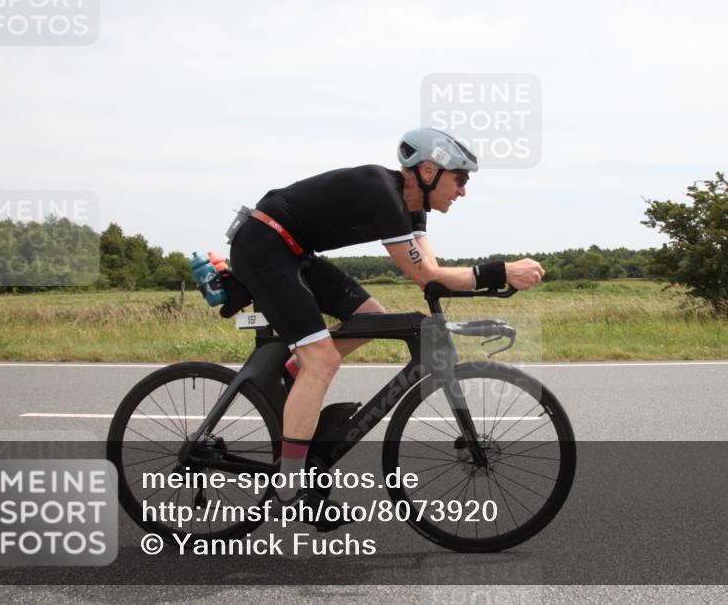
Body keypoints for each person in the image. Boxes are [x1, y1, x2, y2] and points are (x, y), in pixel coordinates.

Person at [227, 128, 545, 528]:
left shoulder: (414, 207)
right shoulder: (383, 193)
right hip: (264, 244)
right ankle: (288, 492)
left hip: (294, 251)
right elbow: (426, 274)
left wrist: (492, 280)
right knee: (322, 360)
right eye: (460, 178)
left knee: (371, 319)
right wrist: (501, 271)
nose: (463, 191)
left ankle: (294, 373)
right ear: (428, 171)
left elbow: (432, 274)